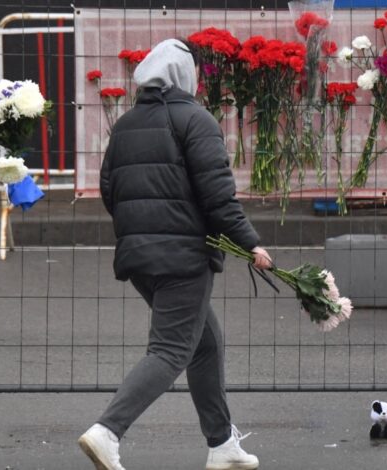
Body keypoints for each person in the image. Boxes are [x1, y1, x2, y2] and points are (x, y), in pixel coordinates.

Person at [78, 38, 271, 470]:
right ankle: (107, 432)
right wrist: (250, 242)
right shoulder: (196, 119)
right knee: (170, 349)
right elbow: (218, 196)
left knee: (205, 343)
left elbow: (111, 190)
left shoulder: (125, 124)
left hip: (139, 256)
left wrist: (142, 231)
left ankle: (222, 445)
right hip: (183, 256)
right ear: (186, 77)